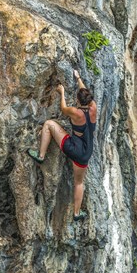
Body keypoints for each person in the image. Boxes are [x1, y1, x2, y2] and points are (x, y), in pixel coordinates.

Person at [27, 70, 97, 222]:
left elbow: (63, 109)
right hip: (86, 152)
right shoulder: (93, 108)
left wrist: (62, 92)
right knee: (79, 182)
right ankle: (77, 213)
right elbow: (84, 93)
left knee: (49, 124)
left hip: (74, 148)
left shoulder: (76, 112)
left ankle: (41, 156)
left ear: (78, 101)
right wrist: (78, 78)